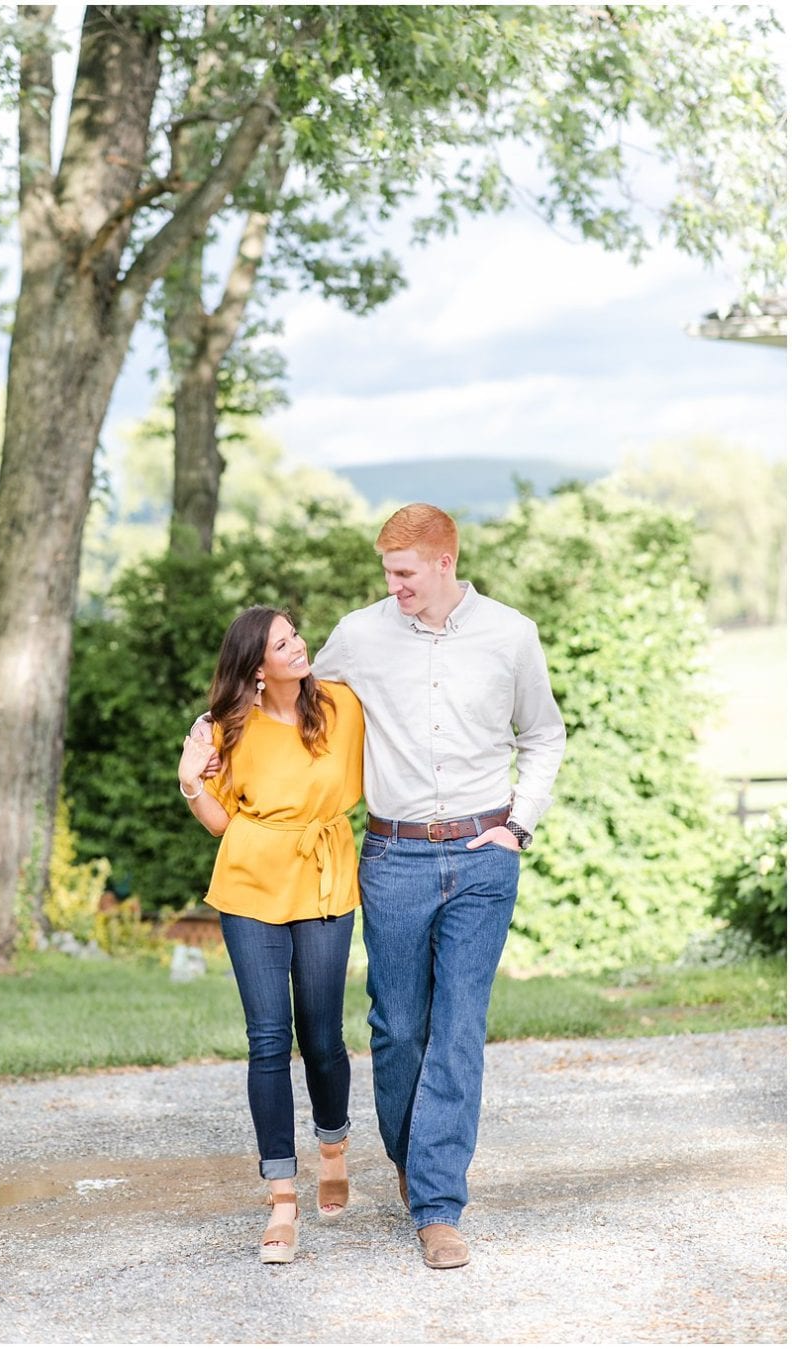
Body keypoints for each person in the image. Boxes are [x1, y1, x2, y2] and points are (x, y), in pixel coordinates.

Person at [309, 503, 565, 1270]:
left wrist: (518, 825)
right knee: (398, 1029)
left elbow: (543, 733)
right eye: (387, 572)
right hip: (392, 856)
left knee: (458, 1027)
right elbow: (298, 705)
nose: (393, 587)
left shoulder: (510, 634)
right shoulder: (360, 632)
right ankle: (413, 1155)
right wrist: (217, 737)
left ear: (446, 561)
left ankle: (438, 1203)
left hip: (483, 856)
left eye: (405, 573)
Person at [178, 606, 365, 1264]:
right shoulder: (229, 726)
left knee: (320, 1036)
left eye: (296, 635)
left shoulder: (342, 708)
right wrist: (188, 778)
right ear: (256, 666)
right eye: (282, 643)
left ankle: (335, 1145)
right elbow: (218, 822)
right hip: (251, 881)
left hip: (322, 877)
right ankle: (282, 1197)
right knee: (266, 1038)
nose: (298, 645)